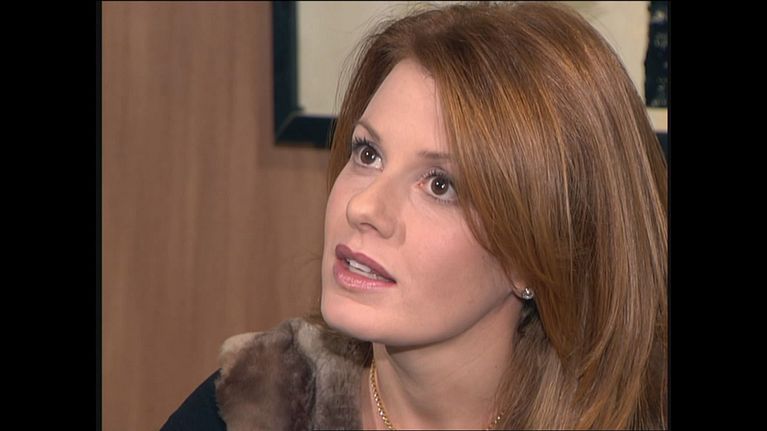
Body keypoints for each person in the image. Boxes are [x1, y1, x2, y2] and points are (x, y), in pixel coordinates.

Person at [161, 2, 668, 429]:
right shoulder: (254, 401)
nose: (363, 206)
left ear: (537, 253)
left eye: (440, 185)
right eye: (368, 153)